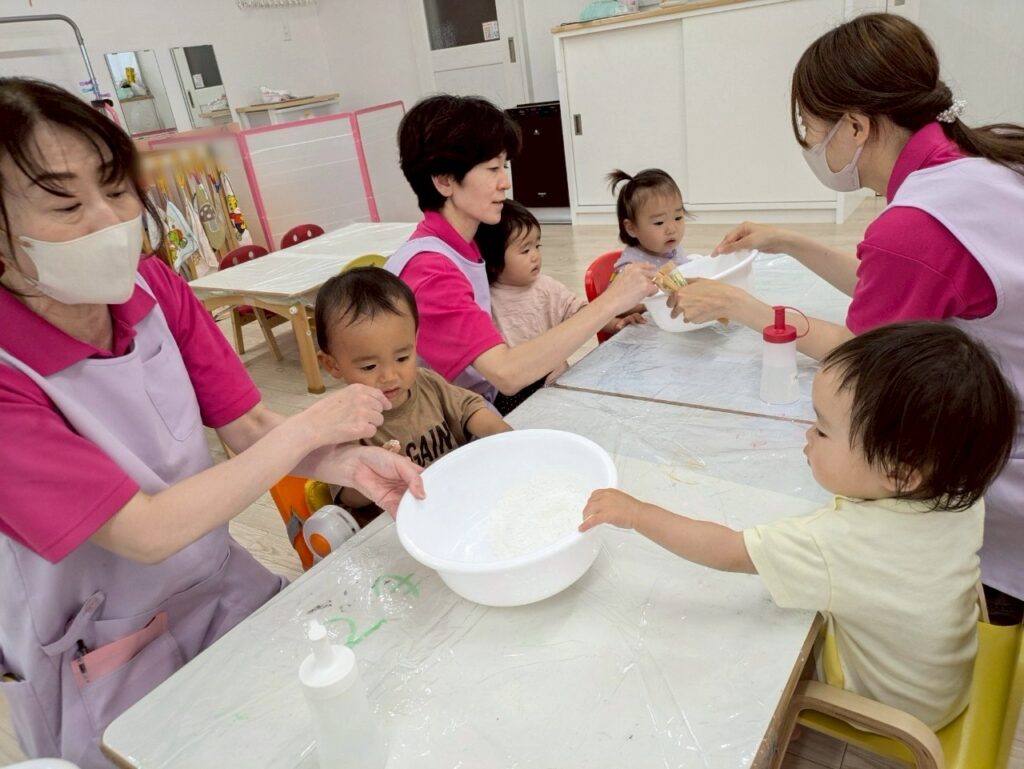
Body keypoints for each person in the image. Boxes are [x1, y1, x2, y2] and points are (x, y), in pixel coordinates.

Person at [0, 77, 423, 767]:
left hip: (219, 587)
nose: (109, 221)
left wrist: (346, 462)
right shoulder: (8, 372)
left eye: (116, 188)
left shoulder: (154, 289)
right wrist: (313, 426)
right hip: (101, 656)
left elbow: (248, 425)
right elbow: (145, 530)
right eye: (66, 204)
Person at [666, 13, 1024, 622]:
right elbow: (908, 285)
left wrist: (740, 307)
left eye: (812, 130)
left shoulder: (914, 227)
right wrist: (789, 241)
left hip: (999, 468)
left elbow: (869, 360)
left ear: (856, 125)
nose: (811, 146)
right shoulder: (974, 161)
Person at [580, 322, 1018, 730]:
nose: (807, 434)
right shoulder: (958, 493)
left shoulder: (837, 542)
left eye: (823, 431)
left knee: (749, 654)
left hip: (898, 711)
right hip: (947, 678)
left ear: (900, 474)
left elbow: (727, 550)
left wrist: (637, 513)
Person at [385, 94, 657, 405]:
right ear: (445, 180)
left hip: (479, 400)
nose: (505, 182)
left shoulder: (464, 242)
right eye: (492, 168)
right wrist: (611, 300)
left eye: (504, 166)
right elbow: (507, 374)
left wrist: (618, 307)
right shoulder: (430, 271)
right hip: (460, 418)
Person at [315, 266, 511, 517]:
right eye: (369, 366)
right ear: (333, 364)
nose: (389, 376)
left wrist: (501, 434)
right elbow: (348, 497)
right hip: (398, 519)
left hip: (460, 502)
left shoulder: (428, 383)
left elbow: (469, 409)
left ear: (415, 340)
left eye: (402, 358)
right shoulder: (342, 423)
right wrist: (373, 473)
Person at [475, 199, 644, 414]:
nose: (535, 256)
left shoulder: (546, 287)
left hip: (555, 381)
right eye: (525, 250)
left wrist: (616, 323)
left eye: (537, 246)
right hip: (511, 396)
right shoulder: (485, 299)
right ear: (493, 260)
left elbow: (581, 313)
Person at [607, 168, 690, 274]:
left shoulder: (673, 248)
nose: (672, 229)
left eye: (678, 218)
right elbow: (620, 284)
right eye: (659, 222)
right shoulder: (631, 267)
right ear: (632, 228)